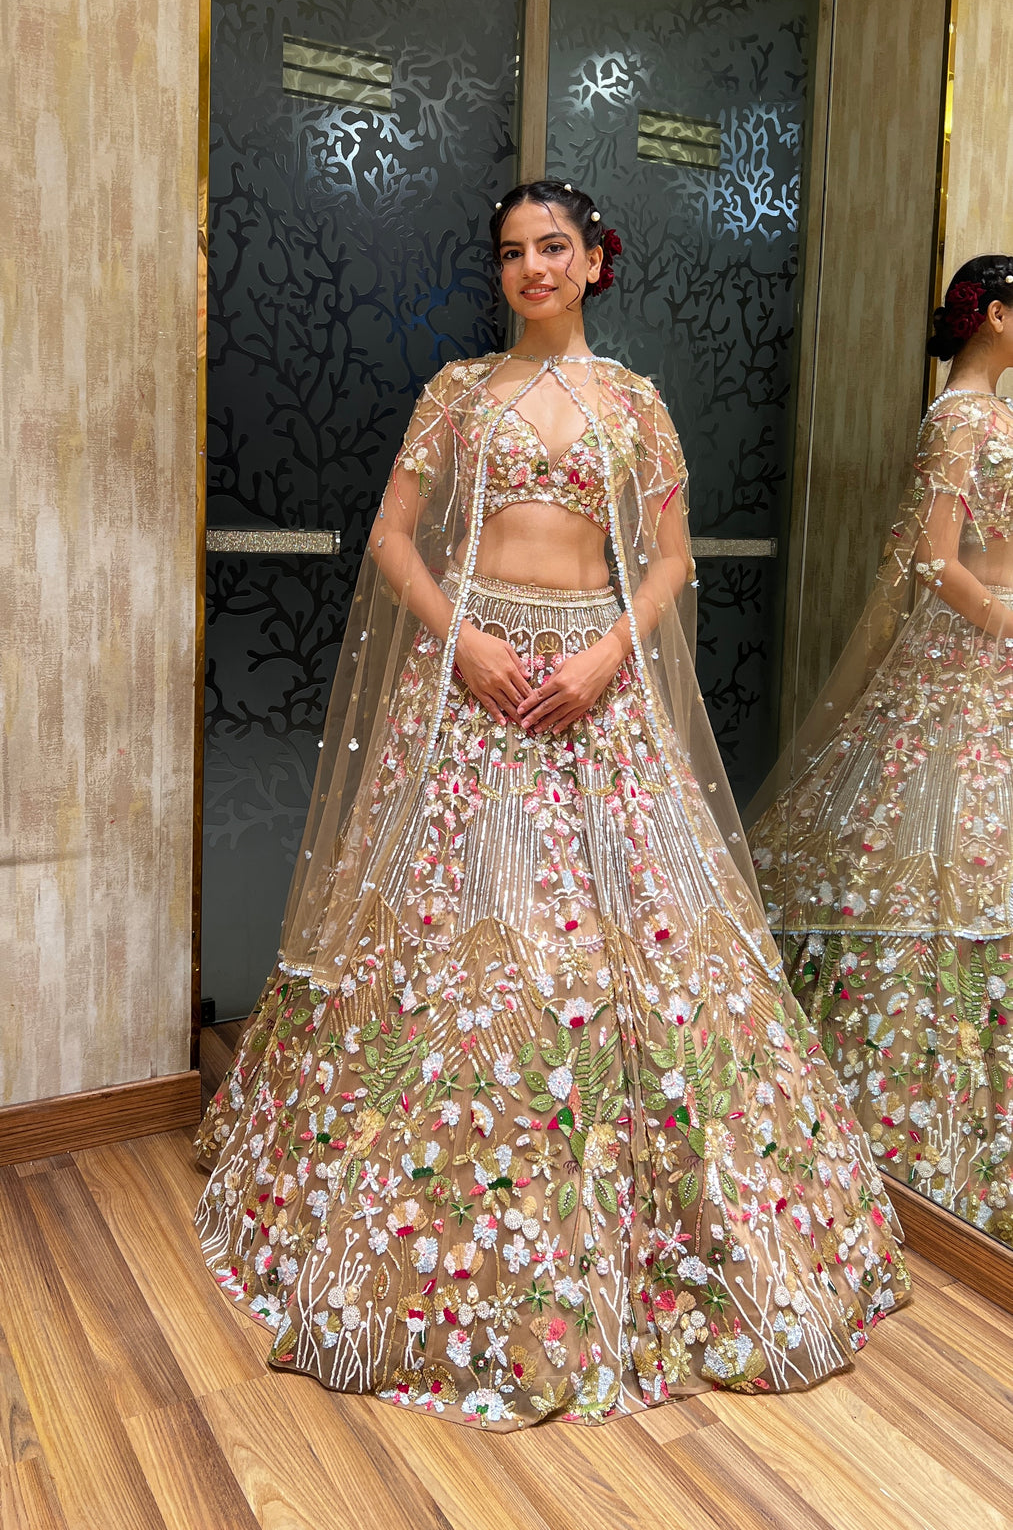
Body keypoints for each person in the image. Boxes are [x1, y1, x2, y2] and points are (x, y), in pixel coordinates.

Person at [195, 179, 907, 1431]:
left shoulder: (635, 403)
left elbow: (671, 558)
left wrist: (606, 656)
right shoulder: (458, 393)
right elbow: (392, 539)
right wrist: (464, 642)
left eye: (553, 246)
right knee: (465, 948)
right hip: (471, 687)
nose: (531, 266)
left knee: (637, 950)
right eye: (512, 251)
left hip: (593, 684)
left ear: (592, 263)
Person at [750, 256, 1013, 1241]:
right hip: (971, 654)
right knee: (935, 857)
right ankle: (909, 1116)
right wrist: (1004, 625)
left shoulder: (990, 415)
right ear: (995, 316)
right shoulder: (960, 417)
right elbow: (934, 560)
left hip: (990, 648)